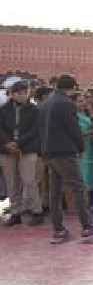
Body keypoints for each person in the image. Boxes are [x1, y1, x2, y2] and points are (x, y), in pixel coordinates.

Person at [38, 75, 93, 243]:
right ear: (71, 88)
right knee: (79, 187)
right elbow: (73, 128)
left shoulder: (46, 102)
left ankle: (59, 229)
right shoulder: (66, 103)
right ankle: (87, 226)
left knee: (55, 192)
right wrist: (81, 147)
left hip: (50, 152)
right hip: (64, 151)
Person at [0, 80, 43, 226]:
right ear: (12, 94)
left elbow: (36, 129)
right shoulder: (3, 109)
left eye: (25, 92)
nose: (22, 95)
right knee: (12, 182)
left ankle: (36, 211)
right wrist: (8, 143)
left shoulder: (35, 110)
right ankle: (15, 212)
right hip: (7, 149)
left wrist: (19, 143)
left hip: (27, 148)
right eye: (19, 93)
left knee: (29, 180)